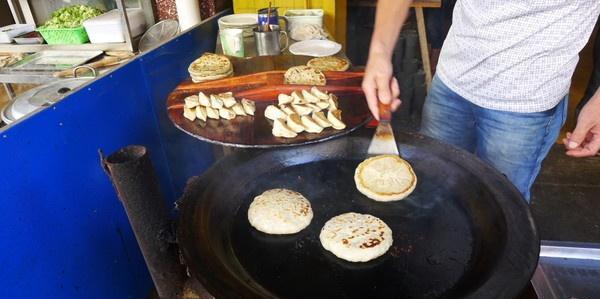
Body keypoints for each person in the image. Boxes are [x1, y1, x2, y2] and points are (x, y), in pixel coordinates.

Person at [362, 1, 600, 201]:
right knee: (430, 191)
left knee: (501, 208)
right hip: (452, 81)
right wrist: (379, 52)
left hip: (525, 104)